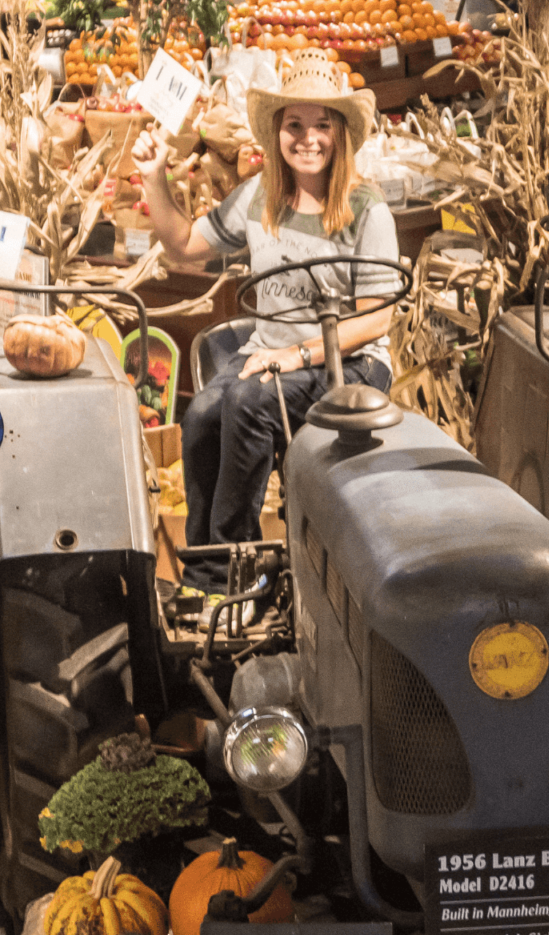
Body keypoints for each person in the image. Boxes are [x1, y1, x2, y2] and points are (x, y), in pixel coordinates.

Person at [142, 50, 398, 597]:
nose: (308, 138)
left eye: (322, 125)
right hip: (270, 354)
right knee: (202, 414)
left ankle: (243, 573)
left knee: (248, 403)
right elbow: (184, 244)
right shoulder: (262, 196)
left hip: (346, 363)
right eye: (295, 124)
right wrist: (153, 178)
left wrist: (294, 356)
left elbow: (377, 318)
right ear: (278, 132)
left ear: (342, 133)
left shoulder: (366, 209)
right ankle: (206, 575)